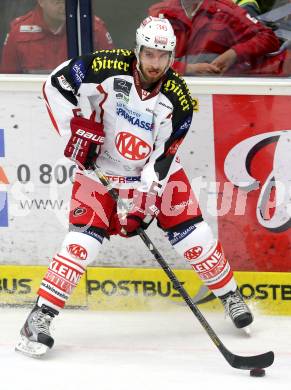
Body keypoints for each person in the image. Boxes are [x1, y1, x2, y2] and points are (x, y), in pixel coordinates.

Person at [15, 16, 253, 358]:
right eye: (149, 54)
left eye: (163, 56)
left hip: (153, 173)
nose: (155, 63)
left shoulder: (179, 99)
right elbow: (56, 83)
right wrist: (74, 134)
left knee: (195, 238)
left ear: (171, 58)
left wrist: (144, 200)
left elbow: (162, 158)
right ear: (138, 50)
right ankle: (40, 316)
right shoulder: (105, 65)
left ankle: (229, 295)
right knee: (81, 243)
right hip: (100, 168)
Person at [149, 0, 284, 76]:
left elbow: (269, 38)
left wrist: (235, 53)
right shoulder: (160, 13)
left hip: (218, 92)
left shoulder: (226, 10)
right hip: (170, 96)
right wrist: (189, 69)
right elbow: (144, 63)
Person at [0, 0, 114, 74]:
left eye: (67, 2)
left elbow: (111, 74)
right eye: (58, 2)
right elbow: (8, 80)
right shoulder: (19, 32)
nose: (64, 6)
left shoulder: (94, 29)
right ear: (41, 2)